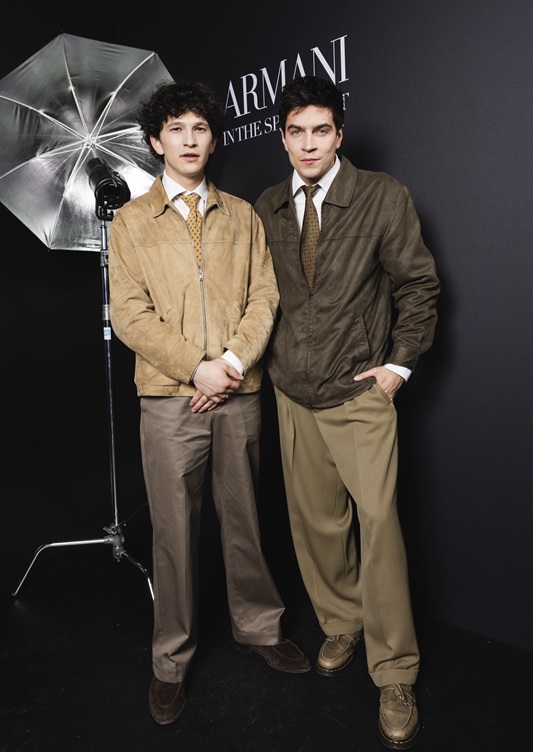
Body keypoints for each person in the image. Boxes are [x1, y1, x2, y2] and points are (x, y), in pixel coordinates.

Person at [108, 79, 311, 727]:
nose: (189, 140)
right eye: (177, 130)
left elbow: (264, 298)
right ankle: (170, 662)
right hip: (169, 402)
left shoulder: (243, 215)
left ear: (214, 140)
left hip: (238, 392)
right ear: (155, 141)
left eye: (199, 129)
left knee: (245, 518)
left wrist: (228, 365)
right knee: (172, 534)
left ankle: (259, 629)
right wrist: (193, 368)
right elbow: (130, 315)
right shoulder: (130, 222)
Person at [254, 75, 440, 750]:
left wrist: (397, 367)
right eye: (295, 132)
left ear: (339, 134)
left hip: (359, 391)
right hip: (291, 390)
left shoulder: (381, 195)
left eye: (320, 130)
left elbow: (418, 285)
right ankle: (341, 623)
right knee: (316, 524)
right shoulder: (269, 205)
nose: (308, 144)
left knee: (379, 527)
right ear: (283, 138)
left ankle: (394, 671)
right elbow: (259, 297)